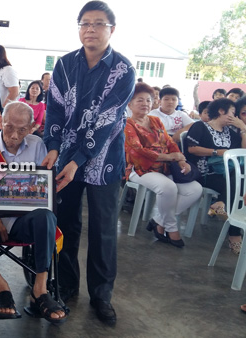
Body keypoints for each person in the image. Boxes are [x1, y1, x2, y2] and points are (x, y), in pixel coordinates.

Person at [41, 0, 135, 325]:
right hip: (65, 158)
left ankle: (102, 296)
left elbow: (107, 121)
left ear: (111, 29)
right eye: (84, 23)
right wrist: (53, 147)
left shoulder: (123, 70)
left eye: (98, 23)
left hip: (105, 162)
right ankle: (66, 285)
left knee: (103, 229)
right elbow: (53, 108)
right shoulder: (64, 65)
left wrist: (78, 159)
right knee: (65, 223)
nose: (90, 29)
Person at [0, 101, 67, 324]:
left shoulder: (38, 145)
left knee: (47, 216)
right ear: (0, 121)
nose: (15, 134)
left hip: (23, 219)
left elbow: (42, 187)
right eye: (9, 126)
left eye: (22, 129)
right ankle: (2, 289)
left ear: (31, 128)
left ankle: (40, 289)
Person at [124, 83, 202, 248]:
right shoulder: (127, 124)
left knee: (195, 189)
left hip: (163, 168)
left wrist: (180, 159)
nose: (145, 103)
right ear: (129, 104)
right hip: (139, 169)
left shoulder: (155, 120)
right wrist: (169, 156)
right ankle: (171, 229)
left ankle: (159, 221)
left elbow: (169, 142)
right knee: (168, 188)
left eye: (148, 100)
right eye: (139, 100)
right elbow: (137, 151)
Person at [185, 98, 246, 254]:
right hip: (204, 172)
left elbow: (243, 152)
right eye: (233, 113)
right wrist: (217, 152)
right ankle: (234, 235)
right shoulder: (200, 126)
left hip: (225, 175)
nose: (235, 117)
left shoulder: (230, 133)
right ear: (221, 111)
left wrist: (243, 129)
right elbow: (191, 149)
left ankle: (222, 205)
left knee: (239, 180)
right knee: (238, 185)